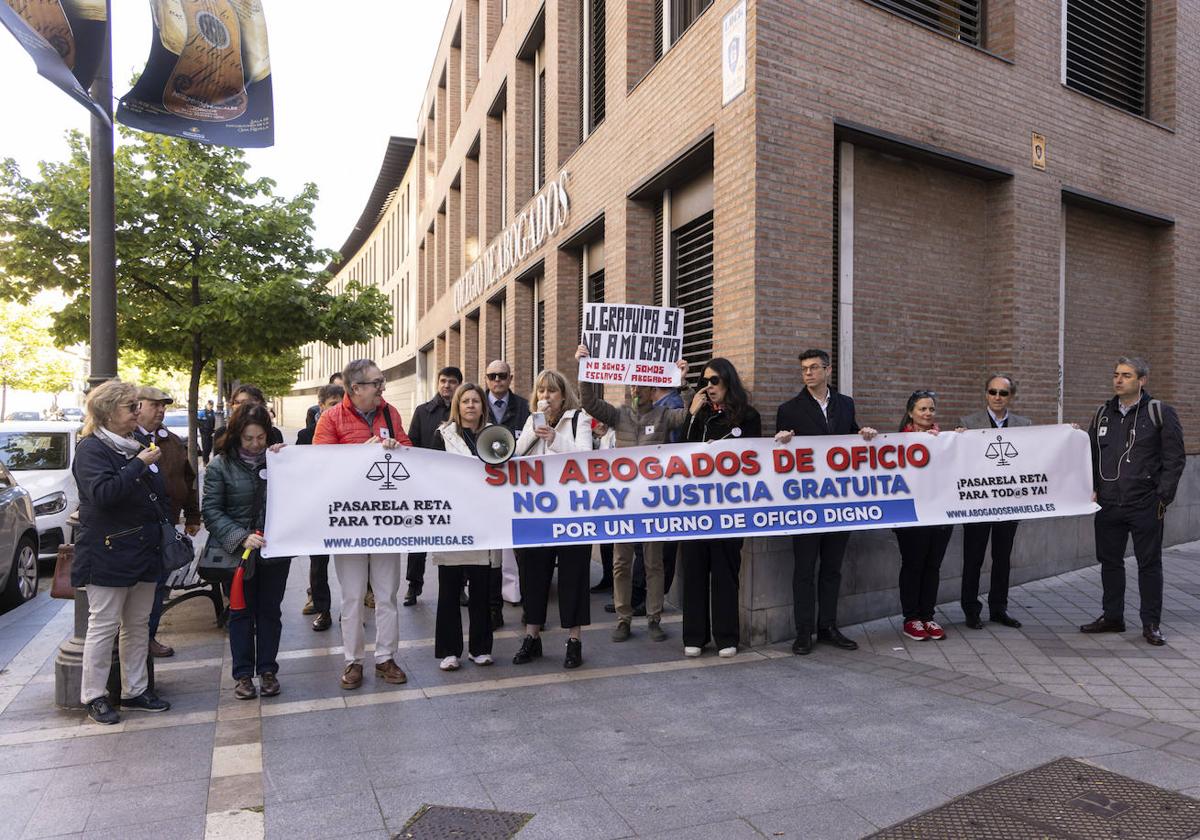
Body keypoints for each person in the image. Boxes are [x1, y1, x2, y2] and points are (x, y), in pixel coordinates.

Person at [72, 381, 171, 724]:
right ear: (108, 412)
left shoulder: (137, 442)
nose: (137, 412)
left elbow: (157, 490)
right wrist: (138, 465)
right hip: (108, 552)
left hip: (144, 549)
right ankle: (94, 696)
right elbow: (102, 494)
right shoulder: (91, 449)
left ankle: (135, 690)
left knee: (138, 624)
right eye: (130, 407)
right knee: (104, 625)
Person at [576, 344, 689, 643]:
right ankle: (623, 618)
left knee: (653, 563)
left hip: (652, 502)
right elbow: (588, 402)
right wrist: (585, 368)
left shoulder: (665, 415)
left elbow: (687, 414)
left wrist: (682, 379)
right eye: (634, 384)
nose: (638, 388)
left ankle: (654, 618)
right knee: (621, 562)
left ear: (655, 390)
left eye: (645, 385)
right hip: (623, 503)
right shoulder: (618, 415)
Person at [314, 359, 414, 689]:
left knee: (387, 594)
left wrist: (398, 448)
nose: (382, 387)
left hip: (386, 520)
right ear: (356, 388)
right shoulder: (331, 418)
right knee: (354, 596)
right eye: (377, 382)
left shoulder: (390, 413)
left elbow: (410, 451)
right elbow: (321, 466)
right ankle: (353, 660)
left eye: (382, 382)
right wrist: (361, 453)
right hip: (350, 523)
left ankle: (386, 657)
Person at [774, 349, 877, 655]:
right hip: (806, 502)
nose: (808, 373)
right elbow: (779, 452)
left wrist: (864, 434)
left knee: (832, 568)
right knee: (804, 569)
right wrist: (782, 440)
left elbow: (849, 438)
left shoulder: (845, 404)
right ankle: (803, 632)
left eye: (814, 368)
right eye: (804, 369)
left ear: (828, 370)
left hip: (839, 502)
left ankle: (828, 626)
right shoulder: (789, 409)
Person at [1083, 357, 1184, 646]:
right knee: (1109, 562)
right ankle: (1113, 617)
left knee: (1148, 564)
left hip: (1145, 504)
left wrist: (1162, 497)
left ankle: (1151, 623)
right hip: (1109, 504)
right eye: (1116, 374)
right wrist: (1089, 488)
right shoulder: (1102, 413)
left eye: (1126, 375)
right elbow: (1088, 454)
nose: (1118, 380)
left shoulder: (1159, 412)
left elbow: (1174, 459)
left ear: (1142, 380)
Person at [202, 405, 290, 699]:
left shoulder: (279, 460)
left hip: (274, 551)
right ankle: (242, 675)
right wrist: (241, 537)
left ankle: (267, 670)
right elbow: (211, 511)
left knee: (269, 612)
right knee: (240, 613)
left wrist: (288, 460)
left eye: (261, 437)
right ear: (236, 435)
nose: (255, 444)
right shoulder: (220, 466)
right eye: (248, 438)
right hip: (239, 554)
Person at [512, 370, 594, 668]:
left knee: (573, 575)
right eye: (541, 391)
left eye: (551, 392)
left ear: (563, 395)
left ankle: (574, 640)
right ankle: (532, 637)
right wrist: (536, 429)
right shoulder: (532, 419)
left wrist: (556, 438)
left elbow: (586, 457)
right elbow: (517, 454)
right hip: (537, 509)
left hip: (572, 510)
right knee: (533, 573)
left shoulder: (578, 418)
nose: (545, 397)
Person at [681, 358, 762, 658]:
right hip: (696, 506)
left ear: (728, 381)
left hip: (729, 507)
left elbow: (755, 458)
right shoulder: (699, 416)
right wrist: (691, 415)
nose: (709, 387)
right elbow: (682, 454)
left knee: (726, 572)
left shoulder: (748, 417)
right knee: (694, 570)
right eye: (704, 381)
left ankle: (726, 635)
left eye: (714, 381)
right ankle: (694, 636)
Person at [429, 383, 497, 670]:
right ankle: (449, 650)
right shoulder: (442, 435)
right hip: (453, 521)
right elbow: (432, 472)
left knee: (482, 590)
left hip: (483, 519)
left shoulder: (496, 435)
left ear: (483, 406)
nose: (471, 405)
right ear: (457, 406)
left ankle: (480, 648)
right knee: (449, 589)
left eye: (476, 401)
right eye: (465, 401)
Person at [132, 387, 201, 659]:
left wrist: (193, 515)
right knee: (143, 589)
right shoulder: (128, 440)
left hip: (167, 524)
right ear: (138, 406)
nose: (160, 410)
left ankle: (148, 637)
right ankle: (137, 640)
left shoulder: (170, 440)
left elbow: (188, 479)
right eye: (155, 405)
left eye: (164, 406)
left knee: (159, 585)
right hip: (139, 528)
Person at [958, 375, 1031, 630]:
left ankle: (999, 608)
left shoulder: (1024, 425)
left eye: (1003, 393)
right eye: (993, 392)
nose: (997, 397)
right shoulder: (967, 423)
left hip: (1009, 503)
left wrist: (1069, 434)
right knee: (973, 558)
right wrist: (958, 439)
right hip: (978, 503)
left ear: (1011, 396)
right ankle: (970, 609)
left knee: (1002, 558)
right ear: (986, 394)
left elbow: (1034, 455)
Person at [402, 365, 463, 609]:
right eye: (443, 381)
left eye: (452, 382)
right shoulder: (422, 411)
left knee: (453, 538)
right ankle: (413, 585)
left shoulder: (464, 412)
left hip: (455, 485)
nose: (447, 386)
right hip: (425, 483)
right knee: (419, 538)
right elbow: (412, 445)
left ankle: (458, 588)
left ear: (459, 384)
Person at [894, 390, 952, 642]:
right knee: (913, 565)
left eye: (931, 409)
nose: (928, 414)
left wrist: (957, 439)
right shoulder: (897, 442)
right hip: (911, 515)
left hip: (940, 514)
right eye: (922, 409)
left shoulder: (944, 440)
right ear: (910, 413)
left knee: (932, 566)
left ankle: (928, 616)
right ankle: (911, 618)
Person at [296, 383, 343, 631]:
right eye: (332, 404)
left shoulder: (348, 434)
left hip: (345, 507)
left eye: (340, 404)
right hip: (319, 508)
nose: (336, 409)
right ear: (321, 405)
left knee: (351, 564)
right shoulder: (306, 436)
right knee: (318, 563)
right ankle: (323, 609)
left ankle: (352, 612)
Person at [484, 359, 530, 613]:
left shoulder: (524, 407)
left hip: (515, 482)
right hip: (486, 483)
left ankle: (513, 591)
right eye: (492, 376)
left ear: (510, 378)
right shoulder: (476, 405)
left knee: (513, 541)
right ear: (486, 379)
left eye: (502, 375)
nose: (497, 380)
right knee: (489, 542)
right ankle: (490, 595)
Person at [215, 385, 284, 446]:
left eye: (244, 402)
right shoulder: (222, 433)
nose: (239, 406)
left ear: (259, 403)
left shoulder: (275, 433)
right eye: (236, 402)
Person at [198, 400, 216, 465]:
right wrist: (202, 430)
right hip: (204, 433)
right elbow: (198, 422)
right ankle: (205, 461)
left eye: (212, 405)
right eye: (209, 404)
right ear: (207, 405)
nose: (210, 406)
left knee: (209, 447)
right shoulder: (202, 412)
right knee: (205, 447)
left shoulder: (213, 412)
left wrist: (213, 431)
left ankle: (207, 459)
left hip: (210, 433)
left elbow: (214, 422)